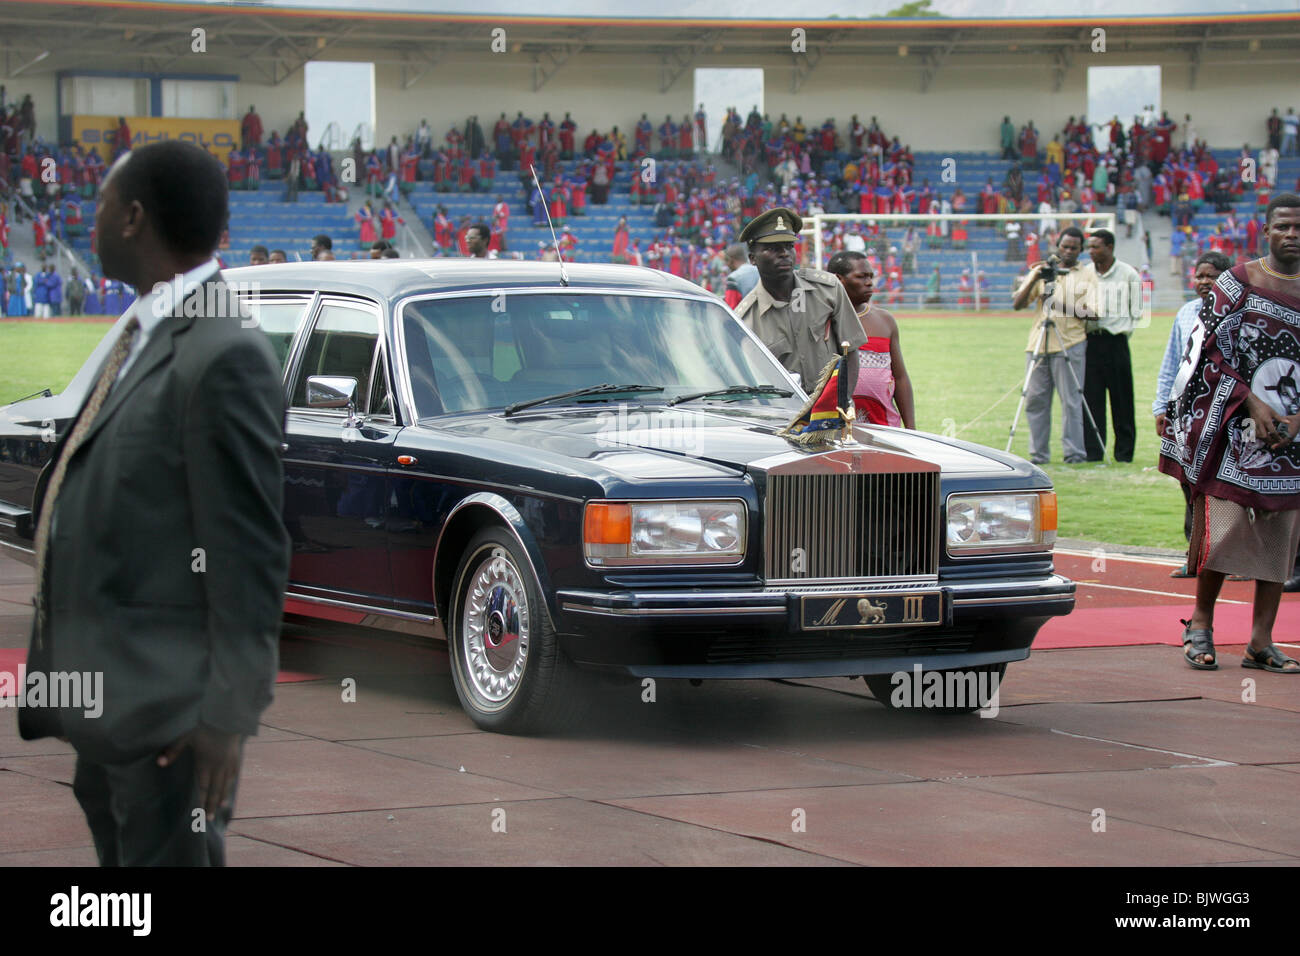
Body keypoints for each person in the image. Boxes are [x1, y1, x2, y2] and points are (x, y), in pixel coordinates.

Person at [19, 140, 291, 864]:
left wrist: (227, 716)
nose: (91, 221)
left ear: (135, 217)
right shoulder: (148, 330)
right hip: (112, 707)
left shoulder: (221, 351)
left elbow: (249, 552)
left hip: (168, 724)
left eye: (102, 206)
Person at [1159, 193, 1300, 673]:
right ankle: (1200, 623)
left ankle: (1261, 642)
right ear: (1266, 230)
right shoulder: (1236, 282)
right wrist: (1254, 404)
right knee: (1226, 529)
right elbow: (1209, 354)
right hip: (1234, 426)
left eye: (1299, 226)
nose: (1292, 234)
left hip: (1292, 435)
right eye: (1283, 226)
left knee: (1281, 535)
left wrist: (1294, 419)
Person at [732, 207, 867, 390]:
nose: (784, 253)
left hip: (829, 410)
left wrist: (842, 401)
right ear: (752, 258)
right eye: (772, 248)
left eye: (789, 246)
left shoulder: (828, 289)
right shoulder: (746, 320)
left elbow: (850, 351)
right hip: (784, 414)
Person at [1154, 251, 1230, 576]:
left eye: (1210, 276)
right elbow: (1172, 361)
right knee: (1189, 482)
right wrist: (1162, 406)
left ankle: (1230, 558)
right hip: (1187, 413)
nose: (1203, 282)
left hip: (1225, 412)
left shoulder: (1236, 313)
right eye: (1199, 276)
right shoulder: (1186, 313)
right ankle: (1194, 555)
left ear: (1226, 279)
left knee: (1225, 489)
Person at [1011, 226, 1097, 464]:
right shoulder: (1042, 270)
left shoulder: (1087, 275)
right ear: (1057, 245)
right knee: (1035, 400)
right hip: (1038, 343)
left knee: (1071, 401)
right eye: (1064, 246)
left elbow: (1094, 313)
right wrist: (1036, 279)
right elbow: (1018, 304)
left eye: (1074, 248)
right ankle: (1038, 455)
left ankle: (1074, 454)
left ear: (1081, 250)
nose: (1068, 251)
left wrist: (1058, 304)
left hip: (1071, 343)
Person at [828, 250, 915, 429]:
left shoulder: (884, 320)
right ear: (838, 279)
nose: (869, 283)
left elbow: (900, 377)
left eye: (871, 276)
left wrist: (911, 428)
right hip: (836, 425)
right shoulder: (822, 320)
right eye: (861, 277)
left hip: (885, 426)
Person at [1082, 228, 1143, 462]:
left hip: (1117, 342)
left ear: (1109, 247)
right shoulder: (1085, 274)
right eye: (1089, 247)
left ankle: (1124, 454)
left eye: (1095, 246)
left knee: (1122, 400)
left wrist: (1121, 332)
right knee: (1091, 400)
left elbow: (1137, 311)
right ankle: (1093, 452)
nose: (1091, 251)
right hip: (1090, 343)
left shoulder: (1129, 274)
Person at [722, 242, 757, 309]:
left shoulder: (733, 278)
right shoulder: (758, 270)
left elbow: (731, 308)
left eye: (726, 261)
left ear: (731, 260)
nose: (726, 264)